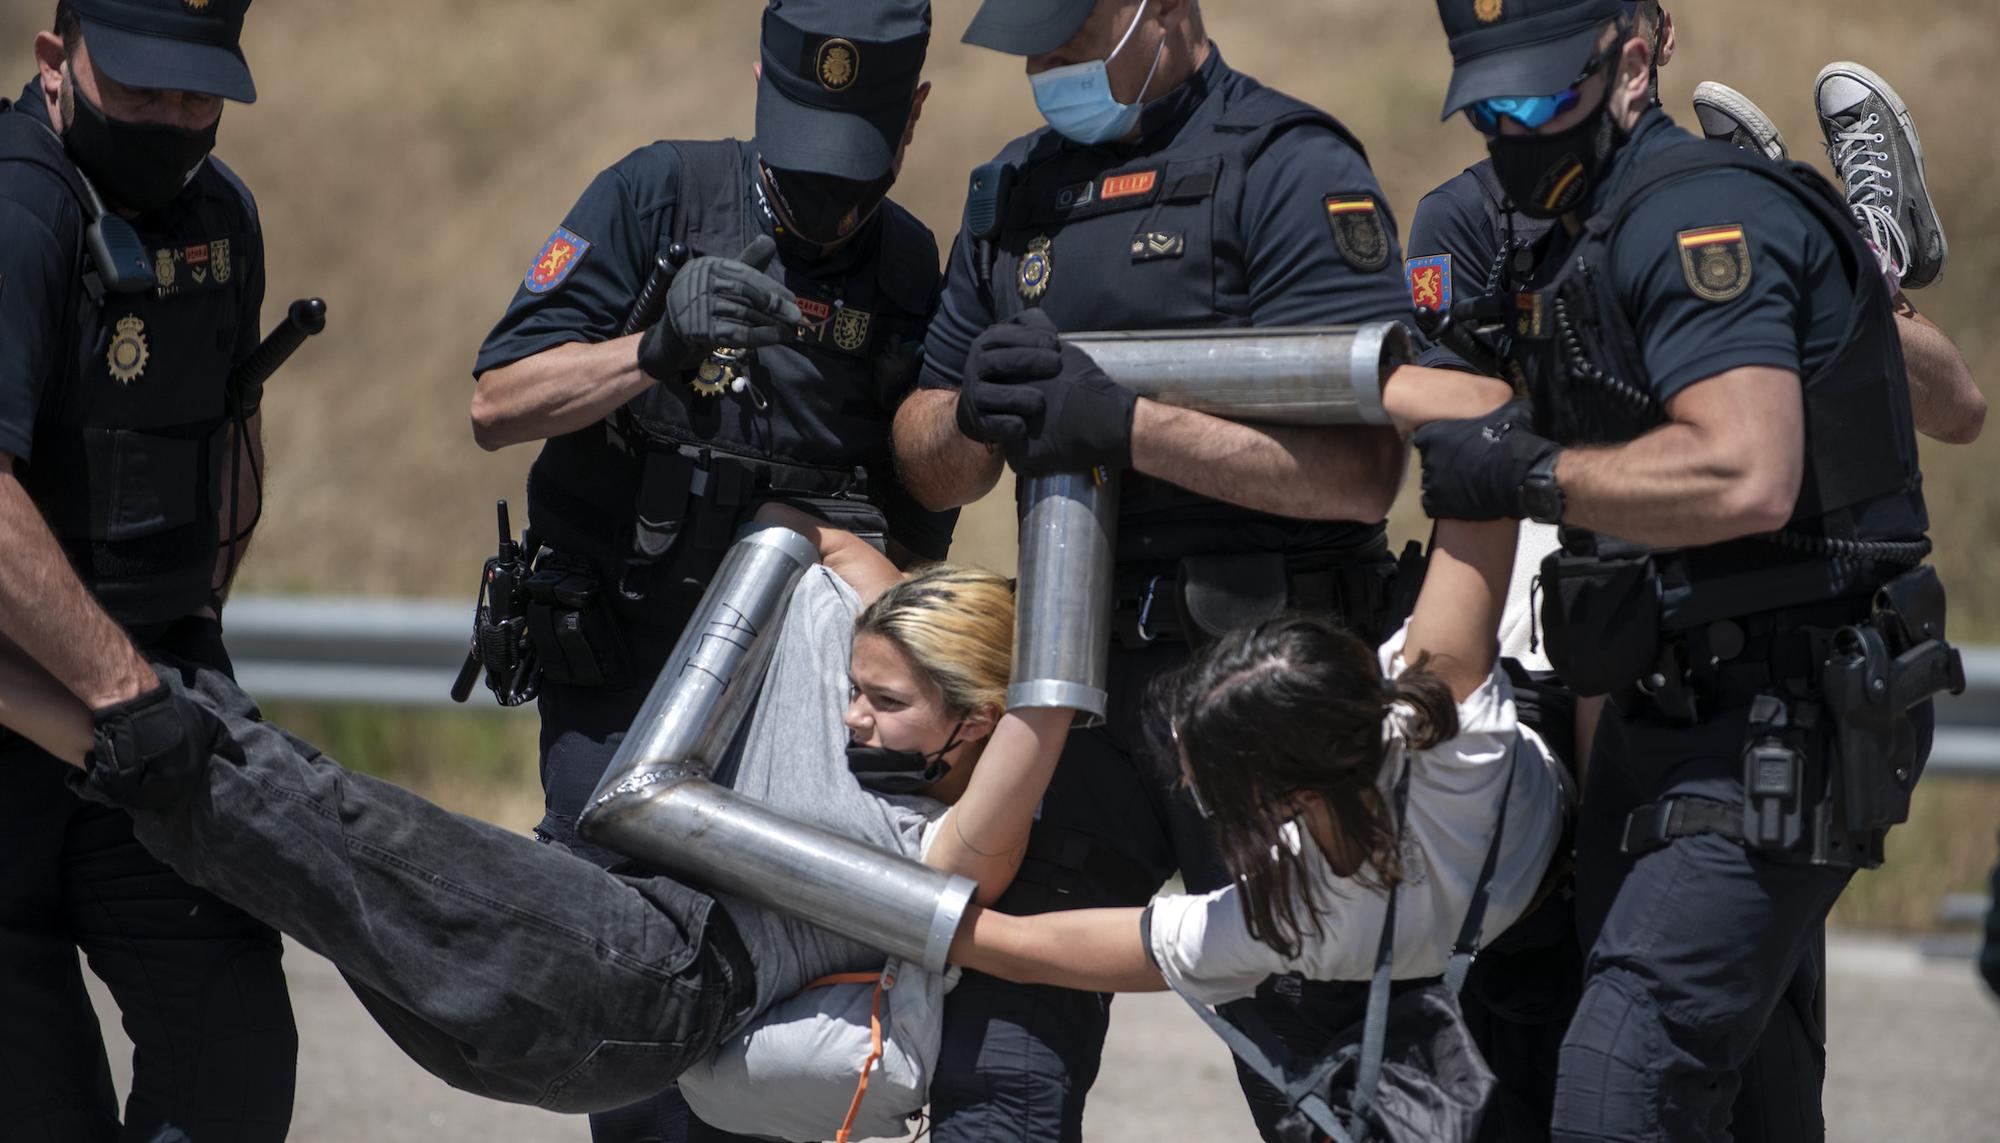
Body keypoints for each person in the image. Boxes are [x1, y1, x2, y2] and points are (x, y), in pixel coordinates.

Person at [0, 512, 1079, 1127]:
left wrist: (1010, 626)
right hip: (581, 1004)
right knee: (275, 839)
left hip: (643, 978)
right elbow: (822, 543)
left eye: (885, 703)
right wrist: (909, 620)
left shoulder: (947, 849)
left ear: (976, 726)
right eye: (851, 683)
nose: (850, 711)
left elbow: (1040, 710)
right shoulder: (862, 706)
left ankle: (39, 689)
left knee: (304, 807)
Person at [1406, 8, 1981, 1140]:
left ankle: (1855, 248)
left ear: (1635, 56)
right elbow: (1463, 482)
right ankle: (1853, 246)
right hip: (1646, 705)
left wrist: (1525, 468)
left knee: (1623, 1084)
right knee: (1726, 1102)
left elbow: (1749, 473)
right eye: (1485, 108)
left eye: (1530, 103)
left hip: (1769, 717)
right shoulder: (1520, 227)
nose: (1505, 133)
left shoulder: (1686, 213)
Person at [893, 1, 1412, 1135]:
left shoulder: (1287, 169)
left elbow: (1361, 475)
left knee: (1327, 1083)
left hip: (1258, 697)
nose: (1044, 69)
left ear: (1162, 12)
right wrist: (970, 416)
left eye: (1071, 41)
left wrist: (1123, 427)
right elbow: (929, 465)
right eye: (1029, 46)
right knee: (996, 1073)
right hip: (1070, 693)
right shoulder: (1010, 190)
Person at [466, 2, 952, 1134]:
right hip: (622, 684)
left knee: (778, 1031)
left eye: (856, 175)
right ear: (758, 88)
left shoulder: (908, 267)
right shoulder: (656, 197)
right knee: (635, 1015)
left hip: (794, 713)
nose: (826, 201)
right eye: (803, 169)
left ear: (914, 116)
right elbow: (497, 404)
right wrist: (649, 351)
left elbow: (914, 536)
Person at [949, 512, 1569, 1142]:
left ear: (1288, 796)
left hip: (1507, 923)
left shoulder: (1301, 917)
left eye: (1212, 793)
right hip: (1569, 859)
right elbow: (1480, 501)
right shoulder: (1444, 730)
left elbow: (1073, 948)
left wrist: (930, 916)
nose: (1194, 797)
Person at [0, 1, 298, 1138]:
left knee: (231, 1061)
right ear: (53, 60)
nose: (175, 119)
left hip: (149, 723)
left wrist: (187, 647)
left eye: (198, 92)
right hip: (46, 715)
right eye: (143, 90)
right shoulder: (20, 209)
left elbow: (227, 433)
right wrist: (122, 690)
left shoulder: (221, 215)